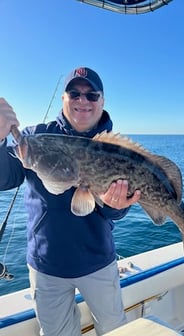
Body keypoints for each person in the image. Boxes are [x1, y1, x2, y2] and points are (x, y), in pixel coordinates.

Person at [0, 66, 141, 336]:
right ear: (63, 99)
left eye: (91, 95)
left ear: (102, 101)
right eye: (74, 93)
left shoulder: (117, 150)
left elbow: (115, 212)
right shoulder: (35, 137)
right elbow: (4, 178)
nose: (82, 100)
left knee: (114, 330)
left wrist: (115, 205)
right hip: (46, 265)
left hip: (98, 262)